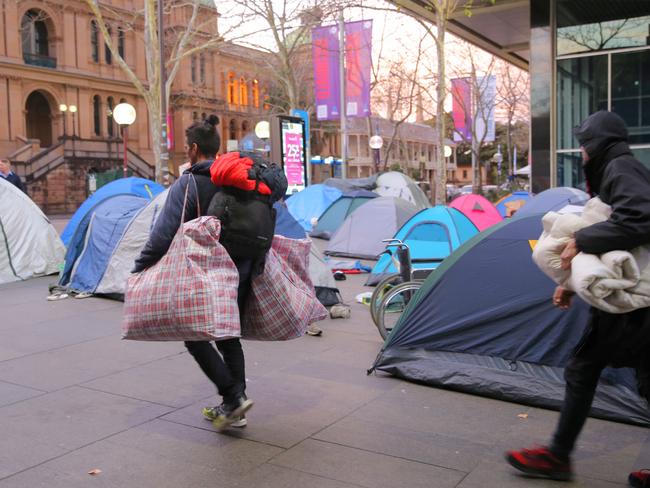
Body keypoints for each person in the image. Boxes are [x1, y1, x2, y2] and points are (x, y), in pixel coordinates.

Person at [505, 110, 650, 487]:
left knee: (584, 369)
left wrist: (579, 241)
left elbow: (639, 221)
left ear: (597, 145)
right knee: (617, 375)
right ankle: (557, 456)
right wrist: (570, 282)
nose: (582, 153)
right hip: (631, 298)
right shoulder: (619, 170)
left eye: (585, 145)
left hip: (633, 303)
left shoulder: (620, 169)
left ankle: (557, 457)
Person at [134, 115, 285, 431]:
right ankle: (235, 406)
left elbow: (164, 234)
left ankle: (232, 394)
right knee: (228, 334)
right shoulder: (236, 179)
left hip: (205, 271)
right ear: (217, 150)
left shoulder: (189, 182)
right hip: (241, 267)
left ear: (191, 149)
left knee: (193, 334)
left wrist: (141, 267)